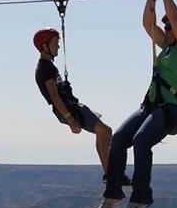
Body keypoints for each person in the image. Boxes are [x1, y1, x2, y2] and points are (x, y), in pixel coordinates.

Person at [95, 0, 177, 208]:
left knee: (142, 140)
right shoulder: (167, 47)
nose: (167, 30)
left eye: (171, 27)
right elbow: (147, 24)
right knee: (120, 138)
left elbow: (176, 22)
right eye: (167, 28)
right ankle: (113, 192)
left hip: (172, 111)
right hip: (151, 107)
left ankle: (141, 196)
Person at [34, 27, 128, 183]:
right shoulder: (44, 69)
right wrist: (70, 119)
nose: (58, 46)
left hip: (71, 108)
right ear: (44, 46)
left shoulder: (48, 66)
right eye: (55, 43)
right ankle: (111, 176)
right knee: (105, 132)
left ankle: (110, 174)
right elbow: (55, 97)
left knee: (104, 132)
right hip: (69, 110)